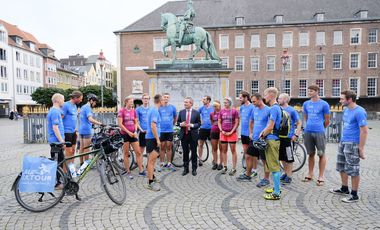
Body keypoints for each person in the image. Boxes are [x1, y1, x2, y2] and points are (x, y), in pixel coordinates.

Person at [330, 90, 368, 203]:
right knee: (341, 166)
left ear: (349, 99)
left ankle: (354, 194)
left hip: (353, 143)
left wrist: (361, 148)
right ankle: (344, 188)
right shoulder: (346, 110)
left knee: (353, 169)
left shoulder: (360, 111)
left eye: (342, 99)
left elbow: (364, 131)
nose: (340, 100)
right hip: (343, 141)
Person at [237, 93, 271, 186]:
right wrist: (251, 133)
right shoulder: (254, 109)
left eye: (254, 101)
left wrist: (264, 134)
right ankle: (248, 174)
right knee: (248, 155)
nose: (253, 103)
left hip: (263, 139)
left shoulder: (268, 110)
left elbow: (270, 125)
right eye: (252, 101)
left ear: (260, 99)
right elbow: (251, 121)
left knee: (264, 160)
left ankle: (266, 178)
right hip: (254, 138)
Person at [302, 85, 330, 186]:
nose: (309, 92)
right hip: (308, 131)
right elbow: (306, 117)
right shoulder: (306, 104)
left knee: (321, 154)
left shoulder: (324, 104)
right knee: (311, 154)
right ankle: (310, 173)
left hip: (319, 131)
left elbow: (327, 120)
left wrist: (320, 128)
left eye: (312, 91)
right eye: (308, 91)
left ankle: (321, 176)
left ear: (317, 91)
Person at [260, 87, 282, 200]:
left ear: (271, 94)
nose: (264, 97)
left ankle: (276, 193)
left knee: (273, 166)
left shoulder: (273, 108)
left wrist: (262, 134)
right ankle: (276, 187)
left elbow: (271, 126)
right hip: (274, 138)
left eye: (265, 94)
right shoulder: (277, 107)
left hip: (272, 139)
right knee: (273, 164)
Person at [118, 96, 145, 179]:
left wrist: (135, 131)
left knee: (138, 152)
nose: (132, 103)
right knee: (126, 153)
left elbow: (136, 123)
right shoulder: (121, 111)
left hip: (133, 134)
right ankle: (128, 171)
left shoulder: (134, 111)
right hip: (125, 134)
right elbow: (120, 124)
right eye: (130, 101)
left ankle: (141, 170)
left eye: (132, 102)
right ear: (126, 102)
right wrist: (128, 132)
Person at [278, 93, 302, 184]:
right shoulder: (278, 109)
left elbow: (299, 123)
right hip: (279, 137)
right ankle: (285, 172)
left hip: (288, 137)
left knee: (289, 157)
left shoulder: (291, 110)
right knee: (282, 157)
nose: (278, 100)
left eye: (280, 98)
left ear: (285, 100)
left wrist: (296, 135)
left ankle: (289, 175)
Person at [177, 97, 201, 176]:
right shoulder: (181, 112)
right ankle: (185, 169)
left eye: (187, 102)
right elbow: (178, 122)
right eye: (184, 102)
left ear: (191, 103)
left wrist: (192, 125)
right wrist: (181, 124)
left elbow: (199, 123)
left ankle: (194, 169)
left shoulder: (196, 112)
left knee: (194, 152)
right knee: (185, 152)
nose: (185, 104)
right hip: (184, 134)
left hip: (193, 134)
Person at [146, 94, 164, 191]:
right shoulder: (155, 111)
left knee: (152, 160)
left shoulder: (152, 109)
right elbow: (153, 126)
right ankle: (150, 182)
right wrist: (157, 139)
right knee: (151, 161)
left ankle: (152, 177)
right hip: (152, 138)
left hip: (151, 138)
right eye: (163, 100)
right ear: (160, 101)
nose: (164, 102)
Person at [47, 93, 65, 190]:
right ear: (58, 100)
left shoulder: (56, 111)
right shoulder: (54, 112)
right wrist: (61, 141)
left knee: (59, 161)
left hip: (56, 141)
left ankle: (58, 181)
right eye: (63, 100)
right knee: (57, 163)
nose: (64, 102)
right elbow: (55, 128)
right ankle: (57, 183)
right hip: (56, 142)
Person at [78, 94, 103, 165]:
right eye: (95, 102)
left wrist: (92, 124)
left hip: (81, 129)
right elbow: (90, 119)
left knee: (81, 147)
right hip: (86, 130)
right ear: (91, 101)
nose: (95, 104)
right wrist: (100, 123)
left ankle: (81, 163)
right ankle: (86, 164)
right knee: (87, 148)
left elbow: (84, 119)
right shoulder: (88, 108)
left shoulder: (83, 107)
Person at [218, 97, 239, 175]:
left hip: (232, 134)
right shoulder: (221, 111)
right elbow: (219, 122)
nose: (224, 104)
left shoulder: (234, 111)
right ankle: (225, 166)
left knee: (233, 150)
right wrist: (221, 130)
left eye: (226, 102)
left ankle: (234, 168)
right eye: (224, 102)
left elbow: (237, 123)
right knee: (224, 150)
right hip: (223, 134)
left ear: (230, 103)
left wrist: (231, 132)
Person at [62, 91, 83, 166]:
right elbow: (61, 118)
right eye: (80, 99)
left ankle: (71, 169)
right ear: (75, 98)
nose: (81, 100)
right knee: (68, 152)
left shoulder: (75, 106)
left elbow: (74, 118)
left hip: (73, 132)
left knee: (73, 151)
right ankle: (65, 172)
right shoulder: (65, 105)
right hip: (67, 132)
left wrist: (76, 129)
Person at [158, 93, 177, 172]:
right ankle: (162, 163)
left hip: (169, 130)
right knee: (162, 147)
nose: (166, 98)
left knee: (169, 147)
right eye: (164, 97)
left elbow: (175, 117)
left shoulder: (172, 107)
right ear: (162, 98)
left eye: (167, 97)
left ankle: (169, 163)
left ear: (169, 98)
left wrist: (171, 124)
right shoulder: (159, 108)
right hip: (161, 130)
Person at [239, 91, 255, 175]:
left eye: (241, 97)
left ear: (245, 97)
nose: (239, 99)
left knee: (250, 153)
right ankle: (247, 167)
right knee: (245, 151)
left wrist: (252, 132)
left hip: (250, 133)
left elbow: (253, 121)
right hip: (243, 133)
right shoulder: (241, 107)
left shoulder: (252, 107)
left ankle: (252, 169)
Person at [198, 95, 214, 167]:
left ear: (208, 101)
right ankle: (200, 159)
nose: (203, 100)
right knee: (200, 144)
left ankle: (214, 159)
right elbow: (196, 115)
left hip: (211, 128)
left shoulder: (213, 108)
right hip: (203, 128)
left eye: (204, 99)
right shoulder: (201, 108)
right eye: (203, 99)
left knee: (213, 145)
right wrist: (200, 120)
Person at [210, 100, 222, 170]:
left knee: (221, 149)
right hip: (214, 131)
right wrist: (215, 124)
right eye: (213, 106)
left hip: (221, 132)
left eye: (216, 106)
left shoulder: (223, 112)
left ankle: (221, 163)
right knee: (214, 148)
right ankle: (215, 163)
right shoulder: (212, 113)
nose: (214, 107)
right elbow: (212, 121)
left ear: (219, 105)